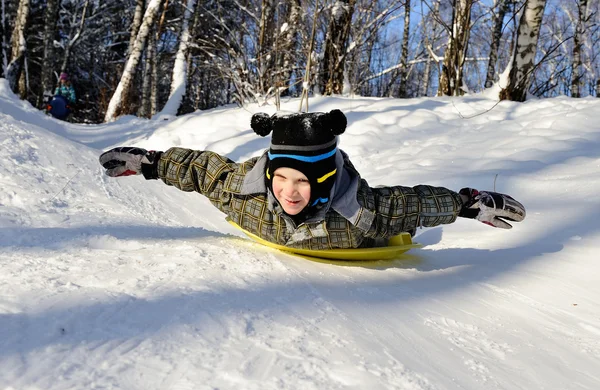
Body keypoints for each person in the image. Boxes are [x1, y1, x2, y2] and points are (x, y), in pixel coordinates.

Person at [99, 110, 526, 250]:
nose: (287, 191)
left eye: (302, 182)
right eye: (280, 177)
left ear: (322, 182)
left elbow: (411, 202)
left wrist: (467, 202)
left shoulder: (362, 215)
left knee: (401, 223)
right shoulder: (243, 196)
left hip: (361, 242)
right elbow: (200, 169)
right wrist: (151, 163)